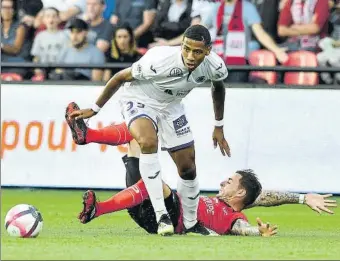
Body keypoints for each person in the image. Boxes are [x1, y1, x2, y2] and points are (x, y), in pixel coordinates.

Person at [67, 24, 230, 236]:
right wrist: (95, 109)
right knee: (147, 142)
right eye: (186, 49)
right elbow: (119, 78)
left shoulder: (215, 66)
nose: (190, 56)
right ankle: (162, 215)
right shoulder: (159, 60)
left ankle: (191, 223)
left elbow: (218, 87)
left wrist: (218, 125)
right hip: (139, 98)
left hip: (171, 106)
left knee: (188, 167)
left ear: (208, 50)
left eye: (197, 51)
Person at [76, 141, 336, 236]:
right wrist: (303, 198)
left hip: (172, 216)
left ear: (240, 194)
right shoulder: (229, 201)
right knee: (136, 145)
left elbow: (243, 230)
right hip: (148, 213)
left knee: (152, 180)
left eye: (230, 181)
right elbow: (266, 196)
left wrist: (259, 232)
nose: (223, 182)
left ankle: (97, 210)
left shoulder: (235, 218)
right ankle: (90, 135)